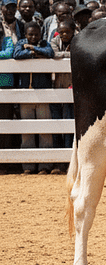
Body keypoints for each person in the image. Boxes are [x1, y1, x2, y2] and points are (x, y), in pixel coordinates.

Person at [13, 21, 56, 174]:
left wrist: (33, 48)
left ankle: (45, 165)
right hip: (26, 94)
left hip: (43, 94)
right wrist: (33, 53)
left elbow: (50, 53)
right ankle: (28, 166)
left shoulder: (44, 44)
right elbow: (16, 54)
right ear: (25, 34)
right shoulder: (20, 43)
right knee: (27, 131)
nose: (33, 37)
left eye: (36, 34)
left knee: (45, 130)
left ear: (40, 34)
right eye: (30, 34)